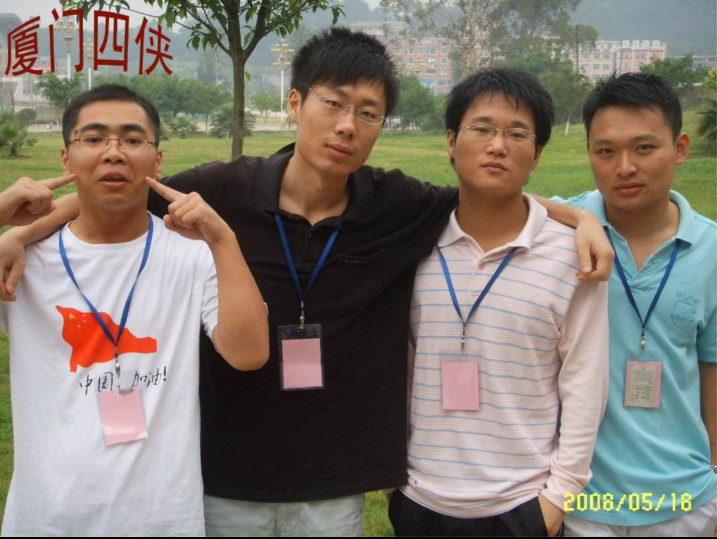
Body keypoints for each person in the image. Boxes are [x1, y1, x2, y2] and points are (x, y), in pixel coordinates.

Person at [0, 29, 612, 536]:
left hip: (333, 481)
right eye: (334, 103)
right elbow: (122, 190)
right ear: (295, 104)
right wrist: (21, 234)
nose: (348, 126)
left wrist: (581, 218)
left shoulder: (396, 203)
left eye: (368, 113)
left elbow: (487, 189)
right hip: (227, 474)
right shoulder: (223, 190)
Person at [0, 85, 269, 536]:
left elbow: (250, 353)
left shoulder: (192, 255)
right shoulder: (22, 263)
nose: (113, 153)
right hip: (47, 520)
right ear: (66, 158)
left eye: (132, 139)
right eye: (93, 139)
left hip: (163, 520)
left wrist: (223, 239)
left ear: (157, 160)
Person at [386, 68, 609, 537]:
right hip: (420, 498)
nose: (497, 146)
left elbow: (585, 383)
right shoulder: (412, 240)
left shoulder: (572, 255)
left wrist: (558, 498)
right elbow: (395, 360)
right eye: (482, 129)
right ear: (451, 141)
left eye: (516, 134)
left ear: (537, 154)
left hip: (522, 503)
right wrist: (393, 484)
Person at [558, 73, 717, 536]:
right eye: (605, 151)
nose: (624, 167)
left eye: (644, 148)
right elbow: (503, 202)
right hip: (583, 498)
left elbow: (711, 367)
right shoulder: (557, 233)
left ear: (680, 148)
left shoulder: (711, 250)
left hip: (682, 500)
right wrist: (579, 218)